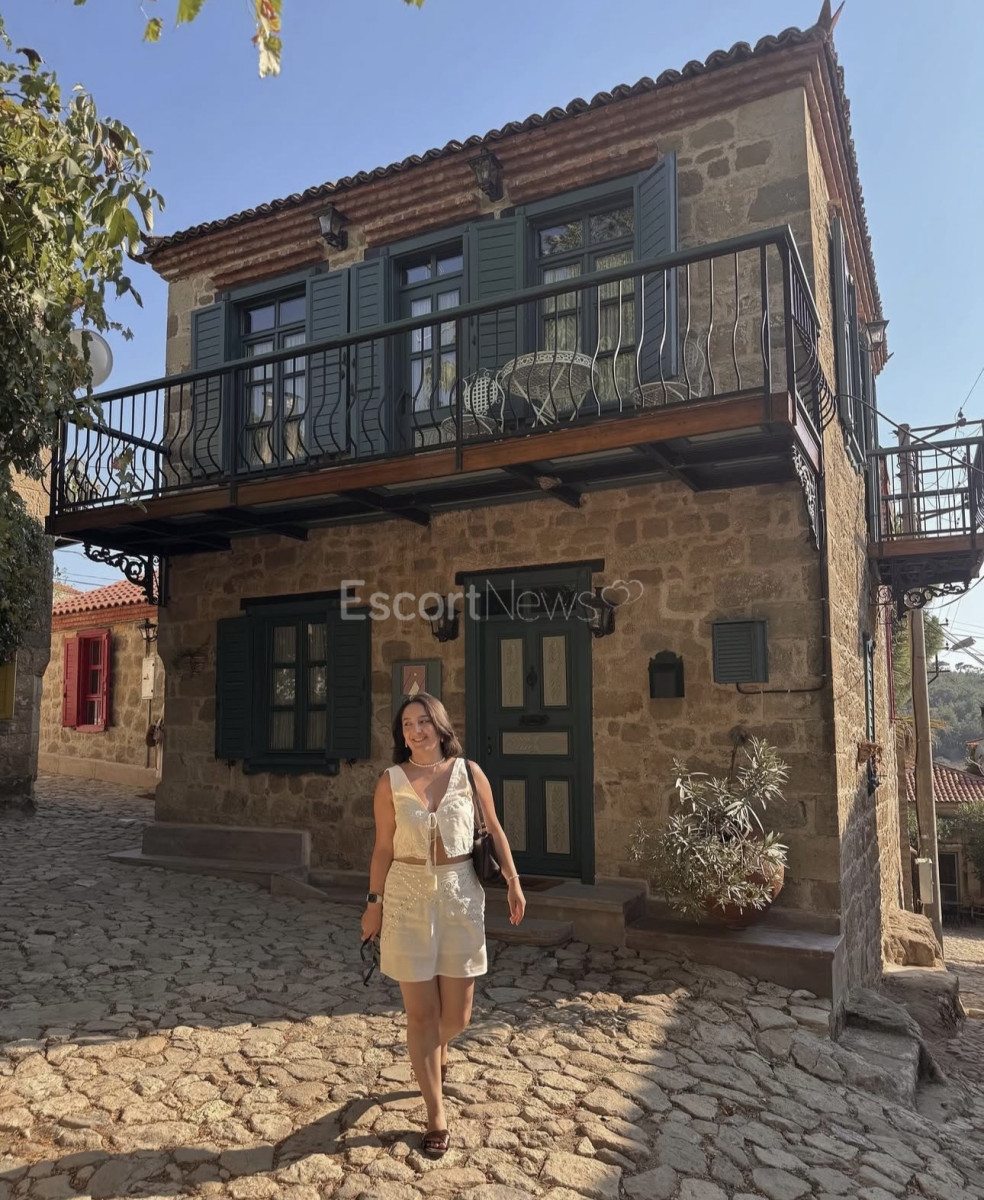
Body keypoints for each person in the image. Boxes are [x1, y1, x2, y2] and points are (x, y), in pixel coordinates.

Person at [361, 693, 526, 1159]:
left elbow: (494, 830)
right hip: (406, 899)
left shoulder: (469, 773)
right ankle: (436, 1115)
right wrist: (373, 903)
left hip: (459, 897)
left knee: (457, 1016)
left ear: (439, 725)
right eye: (407, 725)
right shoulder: (390, 782)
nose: (415, 731)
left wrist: (513, 882)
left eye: (423, 722)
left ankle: (434, 1048)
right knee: (420, 1016)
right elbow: (383, 848)